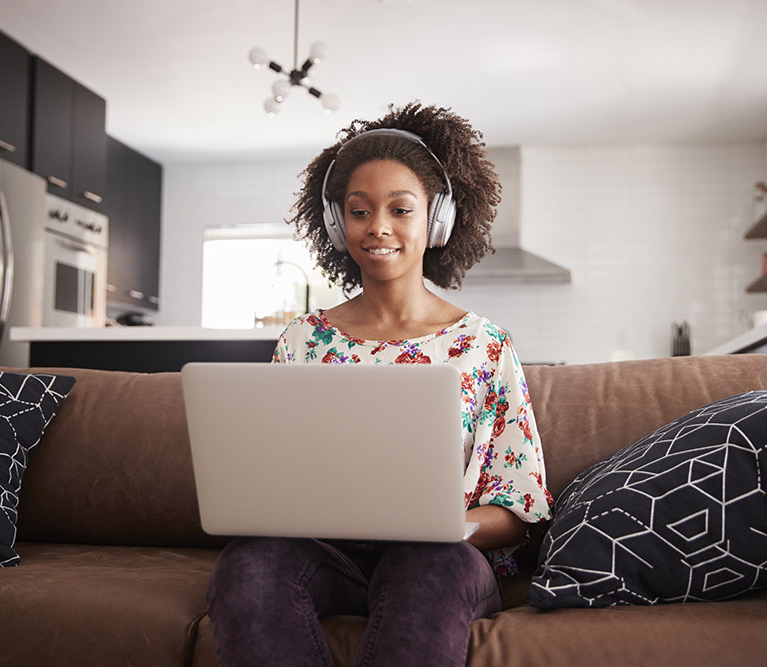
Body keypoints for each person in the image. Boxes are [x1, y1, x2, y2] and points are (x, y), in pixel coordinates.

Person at [206, 102, 553, 667]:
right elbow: (270, 473)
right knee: (247, 563)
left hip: (441, 558)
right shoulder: (303, 340)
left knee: (429, 565)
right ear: (338, 225)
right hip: (328, 555)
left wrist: (452, 526)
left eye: (401, 209)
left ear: (436, 221)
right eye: (359, 211)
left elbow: (522, 505)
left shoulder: (484, 346)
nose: (379, 227)